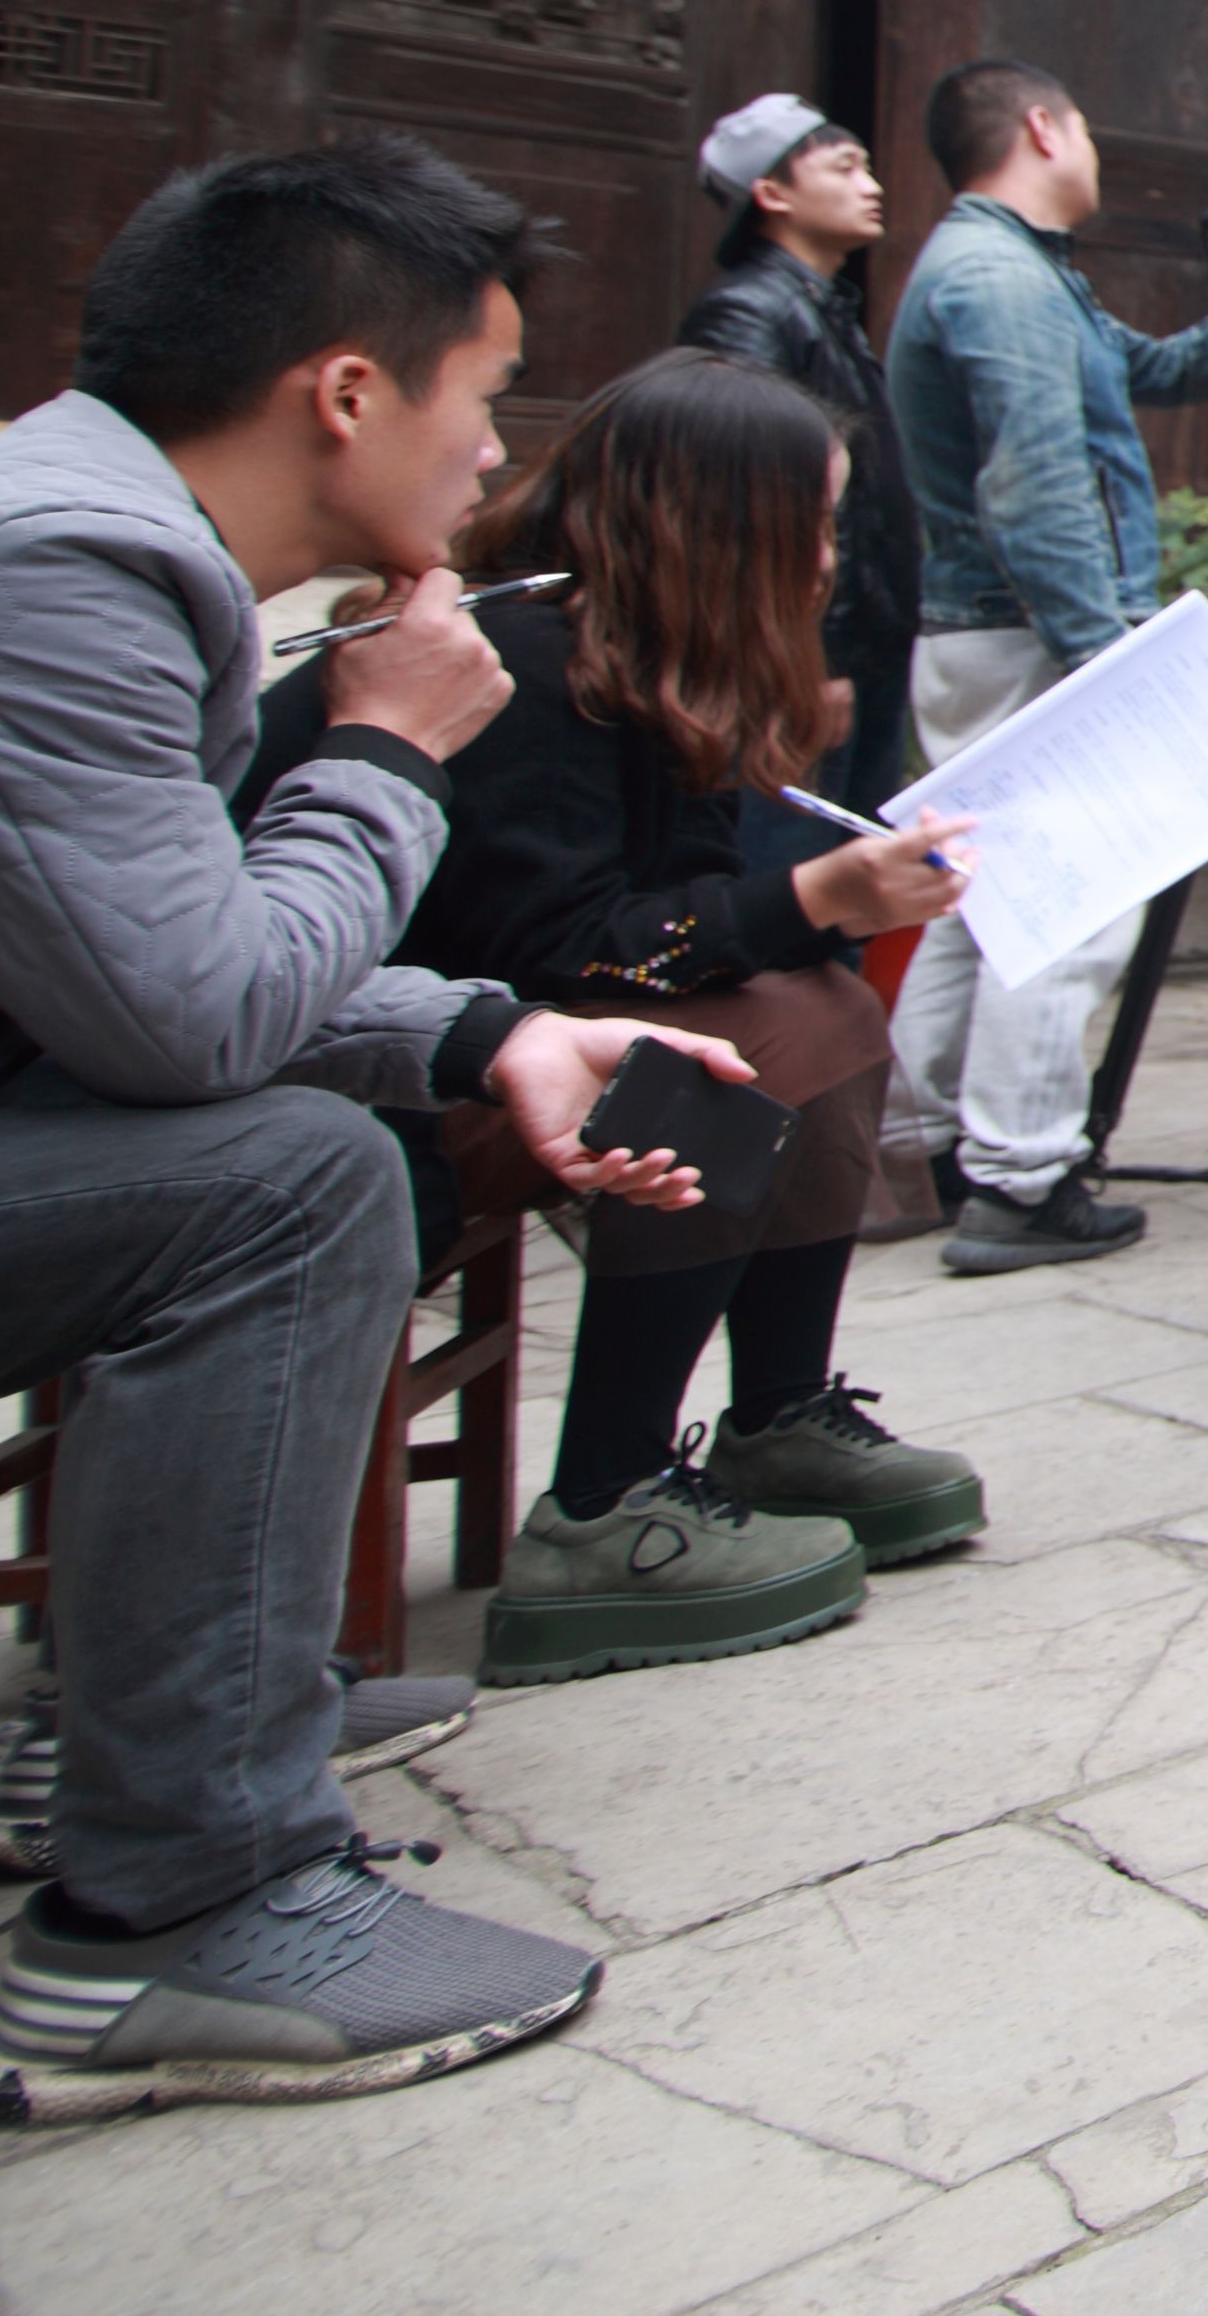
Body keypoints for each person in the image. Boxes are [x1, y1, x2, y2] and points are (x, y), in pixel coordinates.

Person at [0, 138, 719, 2124]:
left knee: (300, 1140)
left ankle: (121, 1735)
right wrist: (387, 745)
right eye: (485, 392)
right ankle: (175, 1904)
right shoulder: (47, 569)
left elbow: (140, 951)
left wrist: (486, 1031)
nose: (496, 453)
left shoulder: (80, 536)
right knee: (285, 1185)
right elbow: (196, 1013)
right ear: (349, 392)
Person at [254, 352, 990, 1681]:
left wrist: (825, 905)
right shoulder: (518, 662)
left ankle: (775, 1418)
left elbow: (666, 912)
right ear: (719, 527)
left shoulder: (646, 652)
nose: (828, 561)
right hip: (352, 1077)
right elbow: (560, 947)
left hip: (480, 1042)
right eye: (811, 524)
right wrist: (817, 892)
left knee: (824, 1003)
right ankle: (601, 1502)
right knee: (746, 1041)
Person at [880, 57, 1208, 1275]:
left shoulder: (1016, 270)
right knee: (1070, 900)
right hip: (1031, 629)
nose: (1091, 150)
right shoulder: (999, 278)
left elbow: (1152, 372)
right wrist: (1107, 658)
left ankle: (915, 1146)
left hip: (993, 627)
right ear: (1044, 128)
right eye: (1086, 128)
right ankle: (1021, 1178)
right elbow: (1034, 485)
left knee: (977, 899)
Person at [674, 92, 919, 812]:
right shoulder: (748, 313)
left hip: (865, 654)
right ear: (772, 193)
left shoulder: (820, 307)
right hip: (804, 663)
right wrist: (810, 659)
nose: (871, 186)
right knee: (798, 859)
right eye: (845, 168)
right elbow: (758, 506)